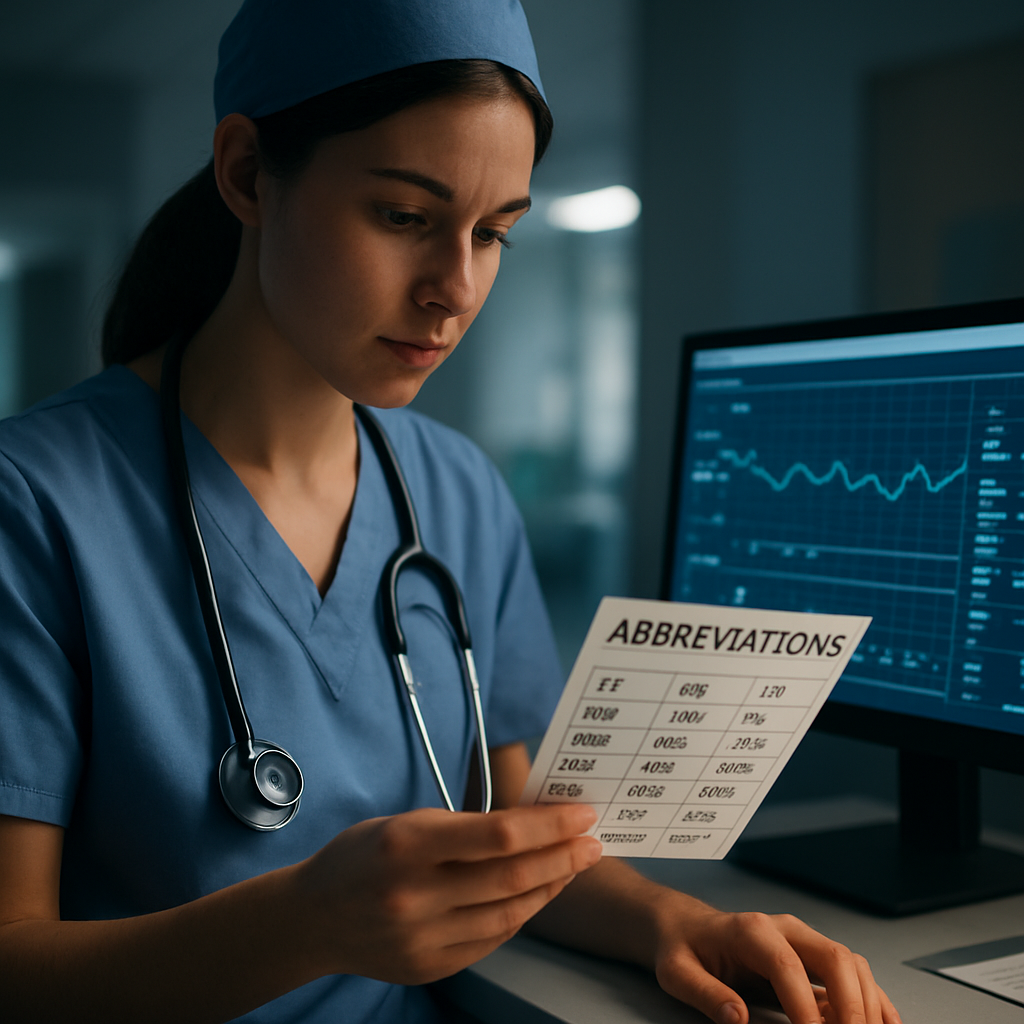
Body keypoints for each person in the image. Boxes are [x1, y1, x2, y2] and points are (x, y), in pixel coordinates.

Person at [0, 2, 901, 1022]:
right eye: (404, 217)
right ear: (249, 172)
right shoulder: (33, 505)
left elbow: (512, 835)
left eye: (493, 233)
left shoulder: (457, 492)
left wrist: (673, 923)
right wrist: (307, 921)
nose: (455, 288)